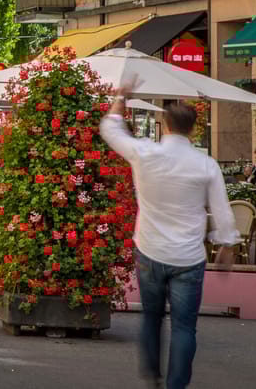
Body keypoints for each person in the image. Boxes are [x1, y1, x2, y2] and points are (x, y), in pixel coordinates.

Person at [100, 82, 239, 389]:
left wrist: (121, 98)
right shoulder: (206, 164)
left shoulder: (145, 153)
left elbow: (111, 131)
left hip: (149, 249)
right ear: (193, 129)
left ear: (165, 124)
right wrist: (226, 243)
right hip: (189, 257)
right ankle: (177, 384)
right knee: (185, 326)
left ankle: (152, 374)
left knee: (151, 317)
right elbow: (221, 208)